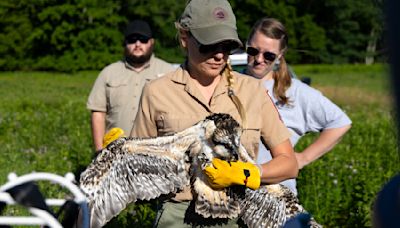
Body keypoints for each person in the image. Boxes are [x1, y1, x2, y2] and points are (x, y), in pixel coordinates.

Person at [130, 1, 298, 227]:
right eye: (208, 45)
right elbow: (137, 173)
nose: (219, 55)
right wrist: (123, 152)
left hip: (243, 213)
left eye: (227, 46)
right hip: (179, 216)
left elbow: (289, 164)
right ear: (184, 39)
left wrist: (245, 173)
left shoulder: (252, 91)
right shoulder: (156, 92)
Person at [244, 17, 352, 195]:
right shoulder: (229, 83)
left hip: (275, 195)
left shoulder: (295, 92)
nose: (258, 59)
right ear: (246, 45)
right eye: (253, 50)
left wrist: (303, 158)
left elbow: (340, 122)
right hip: (232, 193)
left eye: (268, 55)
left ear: (280, 55)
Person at [87, 19, 174, 151]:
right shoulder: (108, 73)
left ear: (152, 42)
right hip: (115, 151)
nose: (137, 44)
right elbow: (98, 113)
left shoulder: (169, 72)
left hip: (157, 153)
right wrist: (99, 151)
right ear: (125, 43)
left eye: (143, 39)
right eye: (132, 40)